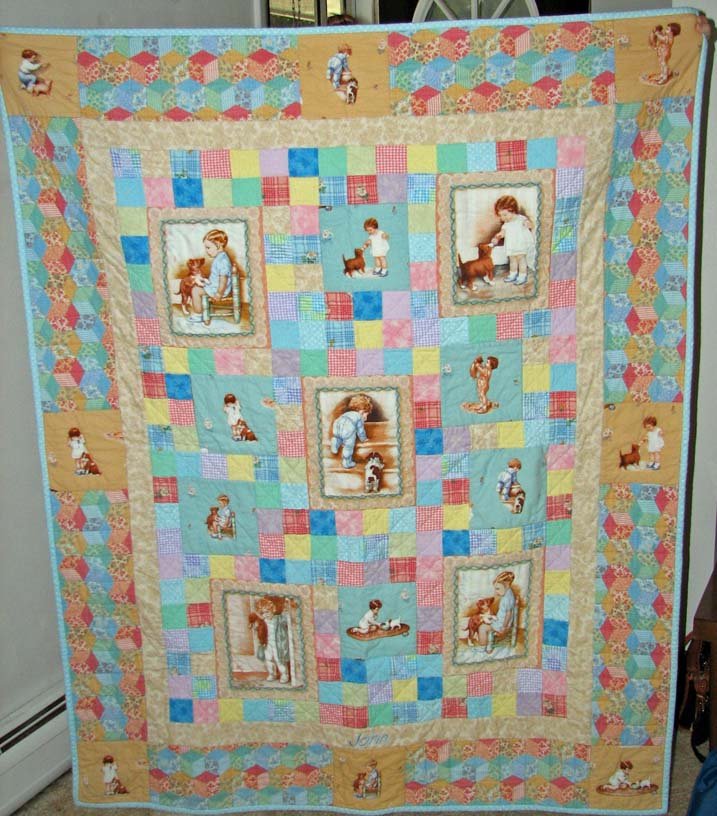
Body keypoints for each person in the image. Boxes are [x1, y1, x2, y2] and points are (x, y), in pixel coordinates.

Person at [189, 229, 233, 323]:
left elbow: (223, 279)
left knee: (195, 290)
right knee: (197, 284)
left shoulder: (222, 261)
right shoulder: (220, 257)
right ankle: (200, 309)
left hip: (218, 290)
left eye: (208, 247)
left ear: (219, 245)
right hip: (215, 286)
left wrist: (219, 293)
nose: (206, 251)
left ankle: (198, 314)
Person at [489, 195, 535, 285]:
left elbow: (531, 225)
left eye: (505, 215)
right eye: (500, 215)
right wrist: (497, 237)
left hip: (521, 244)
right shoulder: (506, 224)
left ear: (512, 210)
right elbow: (502, 233)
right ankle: (513, 274)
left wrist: (528, 224)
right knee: (512, 260)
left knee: (521, 260)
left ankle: (522, 276)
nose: (503, 218)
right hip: (511, 245)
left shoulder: (521, 219)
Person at [476, 571, 517, 652]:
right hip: (500, 621)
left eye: (498, 589)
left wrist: (504, 627)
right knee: (484, 620)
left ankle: (482, 646)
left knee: (482, 628)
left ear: (507, 585)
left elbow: (508, 614)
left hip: (501, 624)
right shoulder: (509, 593)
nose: (496, 592)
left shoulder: (507, 599)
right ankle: (482, 640)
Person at [330, 394, 372, 469]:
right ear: (363, 411)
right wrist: (364, 439)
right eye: (366, 415)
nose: (366, 418)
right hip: (348, 427)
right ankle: (347, 462)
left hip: (337, 424)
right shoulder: (359, 417)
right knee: (349, 445)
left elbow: (340, 420)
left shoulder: (347, 413)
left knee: (338, 437)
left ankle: (335, 443)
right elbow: (360, 430)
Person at [254, 597, 290, 684]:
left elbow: (286, 617)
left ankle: (284, 674)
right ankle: (272, 674)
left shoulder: (278, 619)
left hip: (278, 643)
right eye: (262, 613)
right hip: (268, 643)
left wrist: (286, 607)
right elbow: (260, 632)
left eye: (267, 612)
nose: (265, 614)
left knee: (279, 659)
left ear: (273, 610)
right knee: (269, 659)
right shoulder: (263, 622)